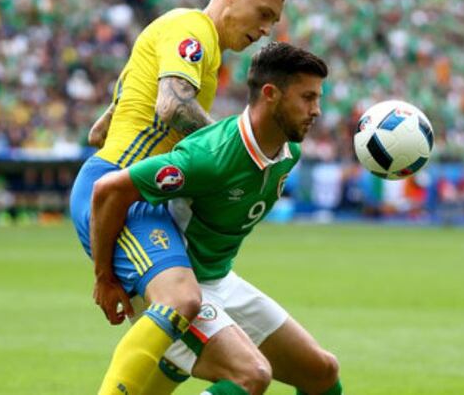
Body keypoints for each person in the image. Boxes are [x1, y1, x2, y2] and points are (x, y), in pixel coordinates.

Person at [70, 0, 286, 395]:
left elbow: (100, 129)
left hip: (146, 193)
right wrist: (229, 151)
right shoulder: (193, 31)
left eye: (274, 23)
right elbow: (172, 107)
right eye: (263, 14)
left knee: (217, 358)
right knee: (183, 301)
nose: (266, 30)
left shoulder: (185, 41)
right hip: (121, 189)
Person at [88, 42, 341, 395]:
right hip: (178, 286)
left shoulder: (289, 152)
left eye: (318, 99)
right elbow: (108, 190)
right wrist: (105, 277)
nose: (316, 111)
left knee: (323, 372)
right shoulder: (210, 157)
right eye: (307, 98)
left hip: (220, 280)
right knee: (251, 376)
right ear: (270, 94)